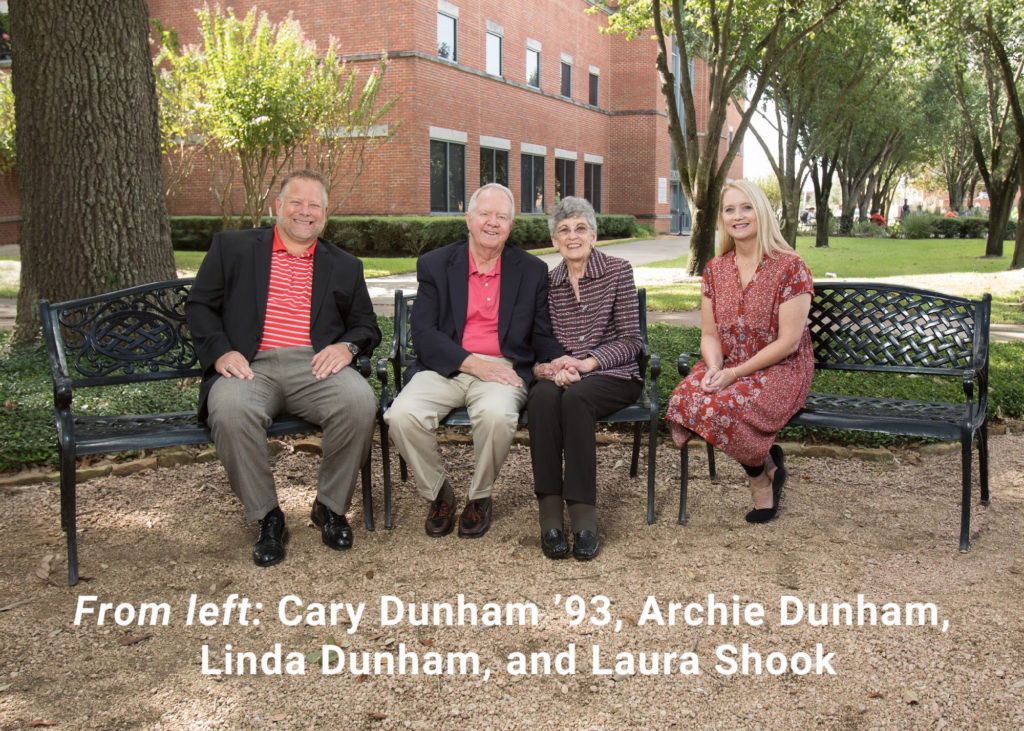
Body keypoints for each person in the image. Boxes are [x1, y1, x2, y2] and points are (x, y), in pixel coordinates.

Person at [186, 169, 380, 567]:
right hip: (250, 365)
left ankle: (329, 506)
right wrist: (221, 352)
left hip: (315, 366)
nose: (304, 212)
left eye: (314, 206)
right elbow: (200, 306)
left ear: (325, 214)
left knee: (360, 402)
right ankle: (267, 516)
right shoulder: (233, 248)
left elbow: (366, 325)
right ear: (277, 206)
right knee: (230, 410)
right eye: (296, 202)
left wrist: (347, 346)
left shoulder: (344, 265)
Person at [384, 183, 563, 539]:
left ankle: (479, 497)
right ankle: (440, 493)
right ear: (468, 218)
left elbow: (541, 333)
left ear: (511, 226)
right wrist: (476, 365)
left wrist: (560, 360)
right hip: (445, 366)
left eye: (501, 217)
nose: (492, 223)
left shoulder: (531, 270)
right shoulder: (435, 264)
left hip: (503, 367)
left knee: (497, 415)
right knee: (401, 416)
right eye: (485, 214)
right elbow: (424, 333)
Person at [665, 179, 814, 523]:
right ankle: (765, 460)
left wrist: (733, 375)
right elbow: (709, 333)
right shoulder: (716, 269)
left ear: (761, 212)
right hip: (730, 362)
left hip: (782, 368)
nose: (738, 216)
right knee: (687, 399)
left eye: (746, 207)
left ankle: (761, 479)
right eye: (730, 209)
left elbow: (789, 342)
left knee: (722, 406)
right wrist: (716, 368)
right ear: (722, 218)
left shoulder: (790, 267)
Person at [527, 197, 642, 561]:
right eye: (563, 230)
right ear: (554, 240)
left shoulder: (618, 271)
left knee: (577, 400)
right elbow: (541, 341)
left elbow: (631, 341)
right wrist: (555, 370)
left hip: (613, 373)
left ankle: (582, 516)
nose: (572, 236)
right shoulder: (548, 282)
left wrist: (588, 363)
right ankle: (549, 517)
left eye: (579, 228)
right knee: (542, 398)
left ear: (593, 235)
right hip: (563, 374)